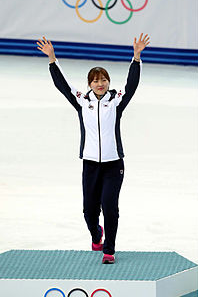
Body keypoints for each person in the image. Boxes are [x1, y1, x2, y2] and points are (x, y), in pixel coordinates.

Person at [37, 33, 150, 264]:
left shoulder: (116, 100)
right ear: (89, 84)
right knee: (89, 212)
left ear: (108, 82)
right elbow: (62, 86)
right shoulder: (82, 101)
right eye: (96, 80)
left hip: (113, 164)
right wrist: (52, 59)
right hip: (90, 164)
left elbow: (132, 85)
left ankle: (109, 250)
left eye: (104, 80)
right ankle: (96, 234)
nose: (100, 84)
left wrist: (136, 57)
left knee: (110, 208)